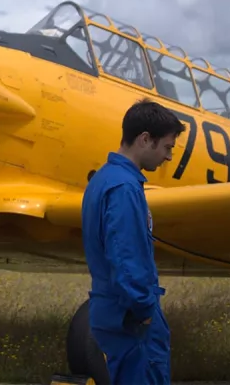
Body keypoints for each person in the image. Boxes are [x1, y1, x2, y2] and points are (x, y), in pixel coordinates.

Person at [81, 98, 185, 384]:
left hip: (112, 310)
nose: (168, 157)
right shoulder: (124, 188)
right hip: (131, 320)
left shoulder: (103, 180)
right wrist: (144, 311)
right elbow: (127, 258)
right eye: (167, 147)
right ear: (145, 139)